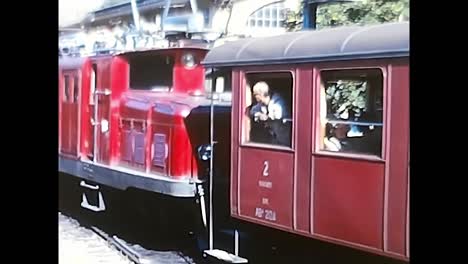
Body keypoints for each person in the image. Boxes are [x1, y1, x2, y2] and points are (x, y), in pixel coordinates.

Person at [249, 81, 291, 146]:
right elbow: (252, 111)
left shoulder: (278, 101)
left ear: (261, 94)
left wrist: (265, 117)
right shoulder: (261, 104)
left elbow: (277, 115)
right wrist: (258, 114)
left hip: (284, 139)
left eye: (255, 94)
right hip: (274, 138)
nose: (254, 96)